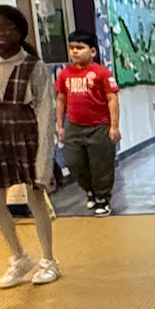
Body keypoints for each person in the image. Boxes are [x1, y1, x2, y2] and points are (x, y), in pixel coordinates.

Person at [0, 5, 59, 287]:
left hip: (26, 136)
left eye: (7, 27)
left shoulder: (34, 66)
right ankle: (19, 256)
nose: (1, 33)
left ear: (20, 30)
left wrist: (44, 158)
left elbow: (45, 112)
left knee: (35, 197)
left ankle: (48, 259)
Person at [56, 30, 120, 217]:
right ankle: (89, 190)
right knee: (74, 162)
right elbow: (61, 99)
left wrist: (114, 126)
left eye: (80, 48)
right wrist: (60, 126)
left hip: (99, 126)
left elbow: (112, 99)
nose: (74, 52)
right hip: (75, 127)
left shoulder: (102, 73)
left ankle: (102, 198)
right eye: (72, 48)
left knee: (101, 165)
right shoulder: (65, 74)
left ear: (92, 51)